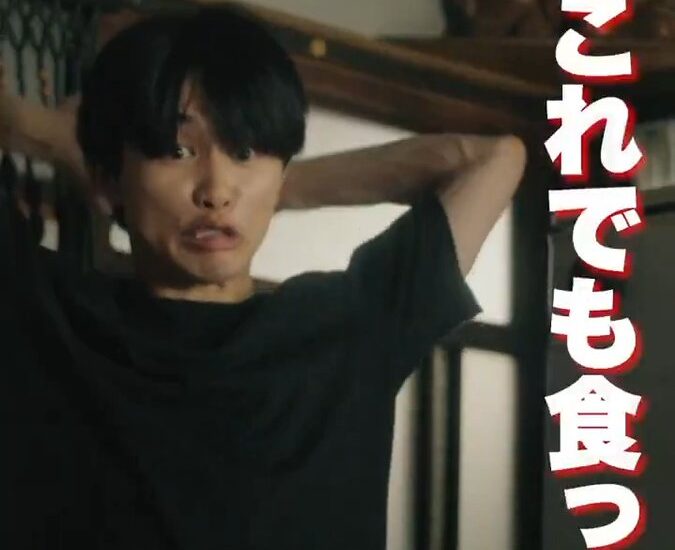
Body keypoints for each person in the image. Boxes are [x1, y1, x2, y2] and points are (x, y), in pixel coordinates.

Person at [0, 6, 526, 550]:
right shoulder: (42, 310)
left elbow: (491, 160)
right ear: (110, 176)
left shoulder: (344, 329)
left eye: (244, 151)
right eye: (178, 150)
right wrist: (36, 131)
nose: (216, 189)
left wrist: (272, 192)